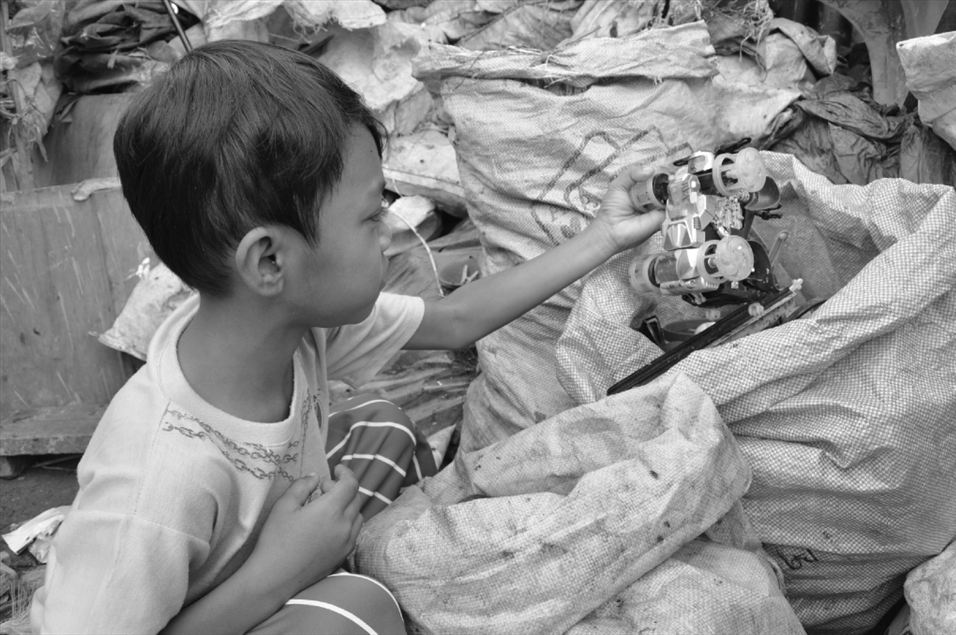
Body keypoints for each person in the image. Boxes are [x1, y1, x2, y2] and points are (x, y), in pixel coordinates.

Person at [30, 40, 666, 635]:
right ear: (269, 261)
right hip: (194, 607)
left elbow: (455, 321)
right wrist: (276, 574)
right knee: (356, 610)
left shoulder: (290, 328)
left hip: (256, 551)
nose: (390, 232)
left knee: (382, 426)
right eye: (369, 215)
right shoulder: (156, 481)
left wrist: (604, 237)